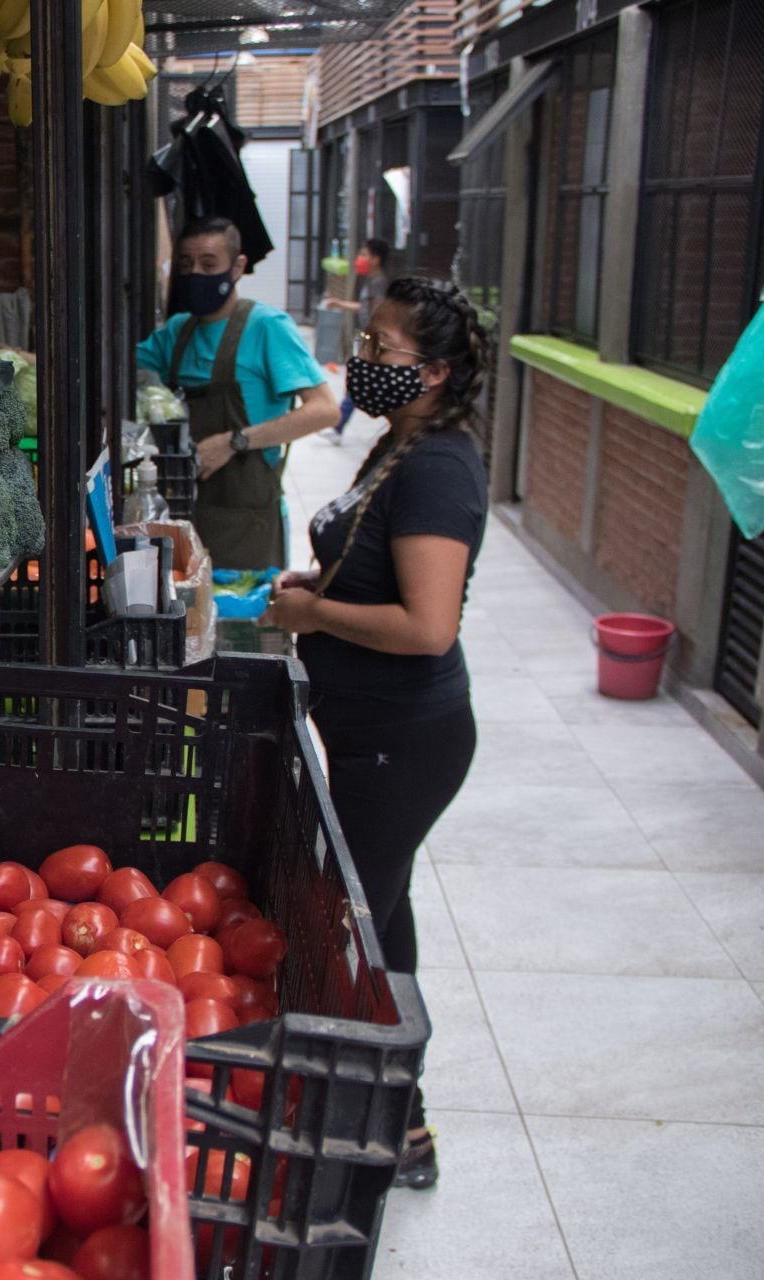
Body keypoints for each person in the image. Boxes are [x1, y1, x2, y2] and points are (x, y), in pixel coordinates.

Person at [261, 275, 490, 1191]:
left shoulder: (437, 468)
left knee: (352, 928)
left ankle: (391, 1122)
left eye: (384, 350)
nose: (363, 360)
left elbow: (429, 627)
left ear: (432, 373)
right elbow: (363, 574)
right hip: (372, 734)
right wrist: (311, 596)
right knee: (380, 917)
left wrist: (314, 617)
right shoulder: (402, 444)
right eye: (367, 339)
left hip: (407, 739)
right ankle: (403, 1123)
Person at [135, 216, 340, 569]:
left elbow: (324, 410)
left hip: (245, 520)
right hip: (185, 512)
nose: (196, 273)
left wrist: (235, 441)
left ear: (238, 266)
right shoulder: (178, 332)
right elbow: (112, 366)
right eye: (187, 265)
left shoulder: (266, 328)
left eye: (209, 264)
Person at [322, 239, 393, 440]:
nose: (359, 259)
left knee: (357, 380)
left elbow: (374, 312)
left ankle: (338, 426)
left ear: (375, 259)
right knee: (356, 379)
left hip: (369, 337)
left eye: (363, 255)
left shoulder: (378, 282)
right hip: (364, 336)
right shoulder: (372, 280)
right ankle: (338, 426)